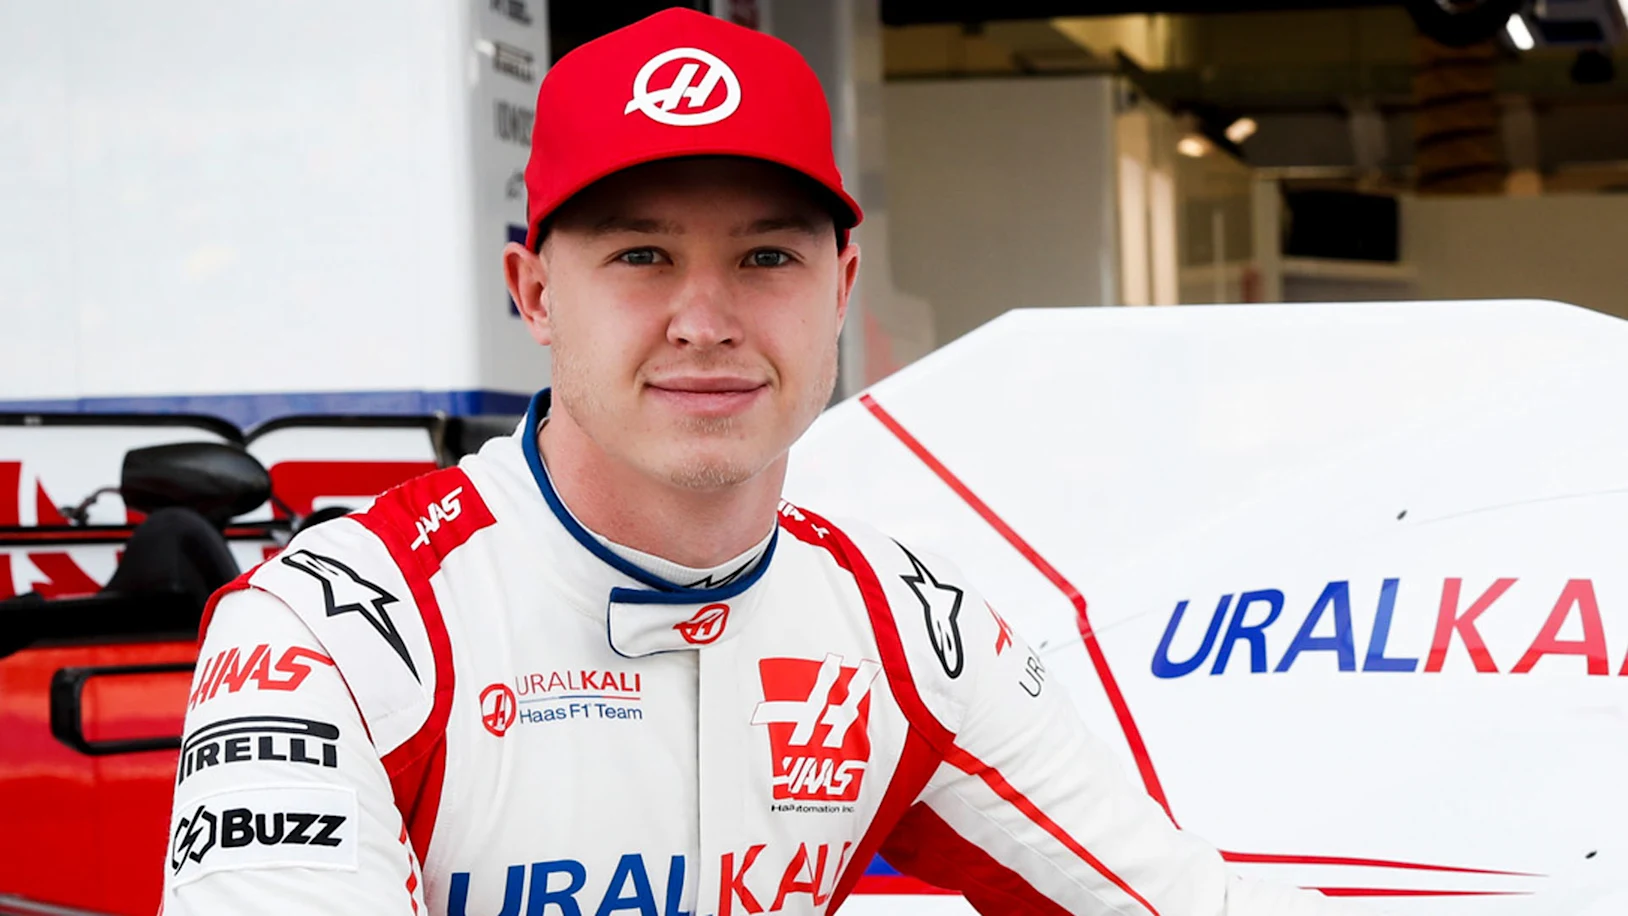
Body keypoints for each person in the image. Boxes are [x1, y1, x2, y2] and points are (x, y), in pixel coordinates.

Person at [162, 9, 1365, 915]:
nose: (704, 317)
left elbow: (1175, 900)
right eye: (638, 255)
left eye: (765, 259)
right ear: (532, 290)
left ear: (840, 288)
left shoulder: (905, 627)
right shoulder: (336, 633)